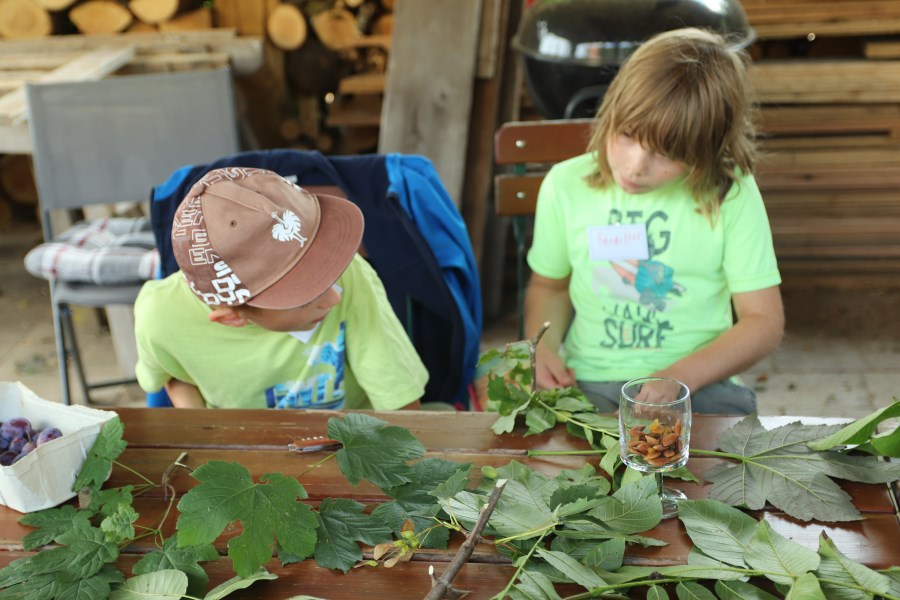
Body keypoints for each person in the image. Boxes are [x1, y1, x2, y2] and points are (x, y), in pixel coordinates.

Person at [524, 28, 784, 414]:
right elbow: (550, 287)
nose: (635, 165)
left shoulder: (730, 192)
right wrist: (540, 347)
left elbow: (763, 321)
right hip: (587, 385)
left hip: (701, 385)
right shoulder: (565, 186)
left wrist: (680, 377)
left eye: (664, 153)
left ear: (706, 150)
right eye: (627, 135)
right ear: (611, 109)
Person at [134, 167, 427, 410]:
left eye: (329, 279)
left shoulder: (348, 272)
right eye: (304, 297)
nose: (334, 297)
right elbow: (173, 372)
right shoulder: (159, 317)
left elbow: (399, 399)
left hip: (353, 442)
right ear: (232, 317)